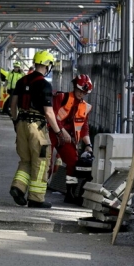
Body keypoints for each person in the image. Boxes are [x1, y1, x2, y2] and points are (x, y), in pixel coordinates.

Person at [8, 50, 70, 209]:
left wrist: (16, 123)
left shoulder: (21, 81)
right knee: (41, 161)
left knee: (26, 159)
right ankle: (36, 198)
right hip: (37, 126)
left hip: (21, 123)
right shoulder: (44, 85)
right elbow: (49, 113)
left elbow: (13, 105)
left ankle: (18, 187)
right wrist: (58, 132)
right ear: (48, 65)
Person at [50, 74, 94, 205]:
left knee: (73, 162)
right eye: (80, 90)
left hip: (67, 139)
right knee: (45, 163)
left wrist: (88, 145)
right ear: (74, 87)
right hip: (53, 133)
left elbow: (84, 127)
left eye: (84, 92)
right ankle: (36, 194)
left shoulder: (85, 107)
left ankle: (70, 193)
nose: (82, 94)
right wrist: (62, 131)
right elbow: (52, 115)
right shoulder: (62, 97)